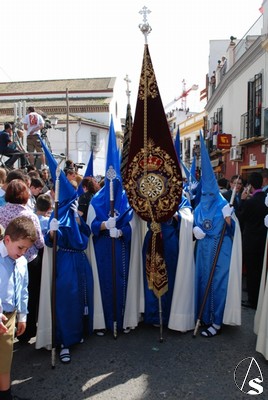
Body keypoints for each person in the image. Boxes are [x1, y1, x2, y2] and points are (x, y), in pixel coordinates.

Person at [193, 133, 242, 338]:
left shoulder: (224, 205)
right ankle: (204, 316)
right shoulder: (199, 207)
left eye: (210, 195)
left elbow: (235, 233)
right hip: (203, 251)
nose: (206, 198)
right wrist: (194, 232)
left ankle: (217, 321)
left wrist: (229, 220)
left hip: (221, 250)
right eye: (204, 194)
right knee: (203, 281)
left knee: (218, 283)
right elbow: (193, 224)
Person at [0, 180, 44, 344]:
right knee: (28, 294)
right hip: (27, 261)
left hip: (9, 258)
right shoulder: (30, 215)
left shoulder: (1, 211)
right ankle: (26, 330)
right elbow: (39, 241)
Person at [142, 195, 195, 331]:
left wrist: (176, 215)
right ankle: (154, 314)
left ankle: (168, 313)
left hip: (170, 240)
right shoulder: (149, 193)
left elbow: (187, 217)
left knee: (169, 275)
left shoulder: (179, 196)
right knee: (151, 275)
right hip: (152, 238)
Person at [0, 216, 37, 400]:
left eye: (27, 249)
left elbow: (23, 289)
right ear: (7, 240)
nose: (23, 252)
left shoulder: (22, 261)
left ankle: (6, 395)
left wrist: (23, 315)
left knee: (5, 361)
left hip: (9, 317)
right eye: (20, 247)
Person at [237, 172, 267, 309]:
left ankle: (252, 300)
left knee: (251, 272)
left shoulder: (250, 202)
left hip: (250, 242)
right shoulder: (265, 199)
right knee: (260, 271)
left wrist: (243, 200)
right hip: (263, 241)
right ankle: (260, 298)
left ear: (250, 186)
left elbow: (240, 218)